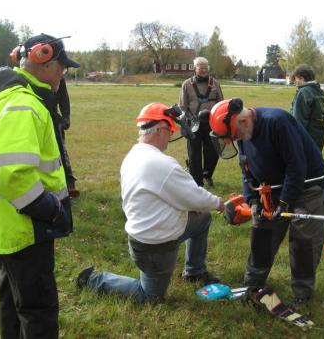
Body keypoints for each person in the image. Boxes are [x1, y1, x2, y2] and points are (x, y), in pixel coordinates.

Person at [0, 34, 78, 338]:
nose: (63, 73)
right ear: (42, 60)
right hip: (27, 229)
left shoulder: (13, 96)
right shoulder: (23, 104)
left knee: (14, 305)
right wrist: (51, 211)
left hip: (8, 226)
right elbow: (14, 176)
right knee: (38, 312)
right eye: (61, 66)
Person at [76, 102, 224, 303]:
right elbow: (195, 197)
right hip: (155, 247)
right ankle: (94, 280)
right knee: (151, 297)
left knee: (202, 219)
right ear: (161, 130)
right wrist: (220, 204)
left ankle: (194, 271)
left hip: (147, 235)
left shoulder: (134, 154)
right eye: (171, 130)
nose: (171, 136)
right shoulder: (162, 164)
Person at [208, 98, 324, 309]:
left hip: (308, 186)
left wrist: (285, 202)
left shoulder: (278, 122)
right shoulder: (244, 132)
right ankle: (253, 284)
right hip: (272, 188)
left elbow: (296, 166)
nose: (233, 141)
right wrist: (252, 199)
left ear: (244, 121)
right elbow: (246, 170)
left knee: (303, 241)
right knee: (262, 232)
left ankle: (303, 294)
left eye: (233, 136)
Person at [179, 57, 223, 187]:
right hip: (193, 123)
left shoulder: (215, 83)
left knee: (213, 152)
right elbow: (183, 106)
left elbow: (221, 103)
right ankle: (197, 182)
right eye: (200, 67)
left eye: (206, 67)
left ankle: (207, 175)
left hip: (212, 123)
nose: (204, 70)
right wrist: (186, 121)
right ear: (195, 68)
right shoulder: (186, 84)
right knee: (194, 153)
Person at [50, 78, 80, 197]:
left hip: (54, 119)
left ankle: (69, 184)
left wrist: (66, 117)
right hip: (37, 118)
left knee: (61, 151)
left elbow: (63, 97)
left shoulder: (57, 74)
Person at [290, 64, 324, 151]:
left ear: (301, 78)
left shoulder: (303, 92)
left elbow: (297, 122)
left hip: (304, 146)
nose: (295, 83)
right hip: (318, 144)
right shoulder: (322, 93)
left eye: (295, 79)